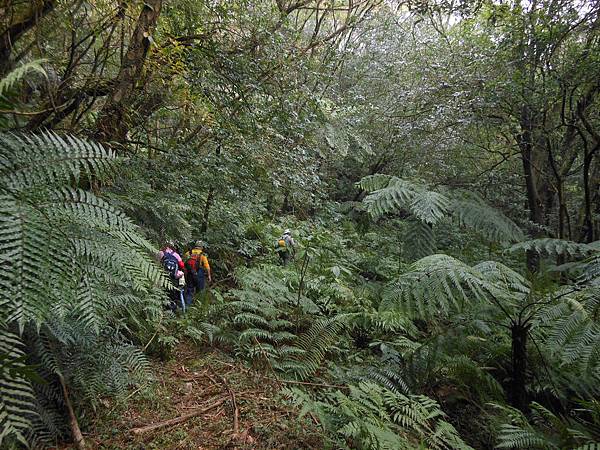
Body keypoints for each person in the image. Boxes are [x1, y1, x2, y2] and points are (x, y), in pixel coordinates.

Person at [158, 241, 186, 311]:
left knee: (163, 291)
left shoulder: (161, 253)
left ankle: (162, 307)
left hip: (163, 276)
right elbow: (182, 265)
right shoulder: (176, 254)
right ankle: (173, 308)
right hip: (173, 277)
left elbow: (156, 263)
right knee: (172, 293)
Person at [183, 240, 212, 306]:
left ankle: (187, 307)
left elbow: (183, 264)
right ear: (201, 247)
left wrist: (185, 274)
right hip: (199, 274)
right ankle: (198, 307)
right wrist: (209, 276)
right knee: (200, 291)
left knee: (190, 290)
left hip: (190, 274)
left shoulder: (188, 253)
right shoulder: (202, 255)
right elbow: (207, 266)